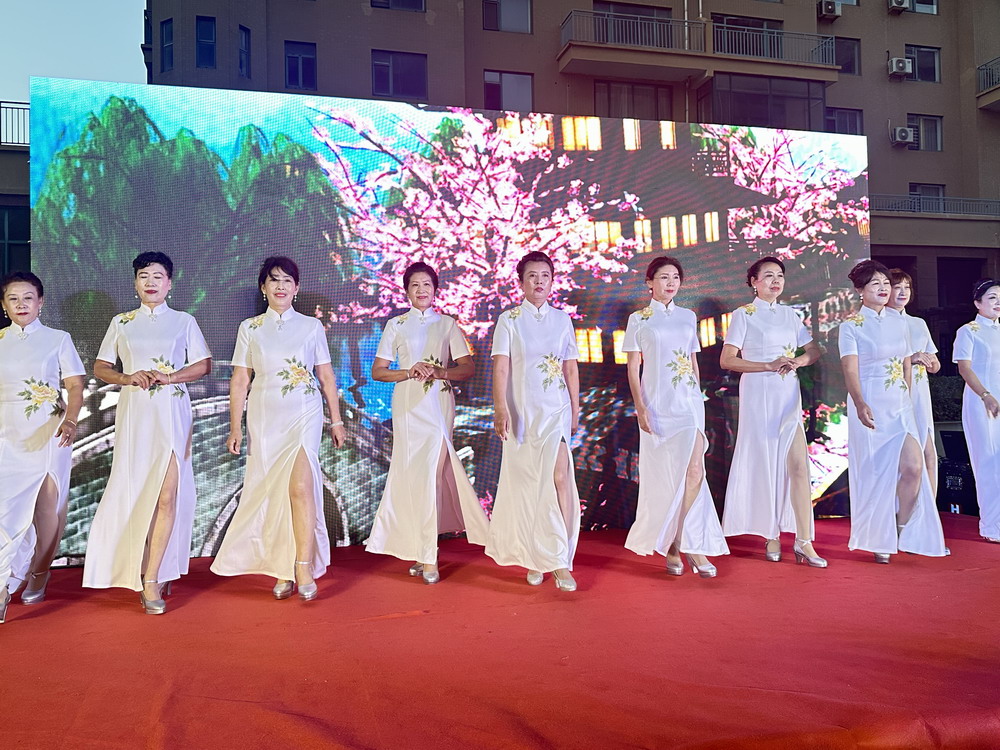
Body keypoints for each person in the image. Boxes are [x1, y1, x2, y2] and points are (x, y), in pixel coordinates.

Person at [83, 252, 212, 614]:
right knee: (139, 492)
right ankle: (143, 565)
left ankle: (152, 577)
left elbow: (204, 364)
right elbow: (101, 366)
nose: (151, 282)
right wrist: (127, 377)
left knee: (168, 495)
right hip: (136, 413)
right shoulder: (122, 322)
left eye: (158, 276)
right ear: (135, 283)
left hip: (172, 411)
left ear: (169, 283)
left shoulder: (184, 321)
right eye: (144, 276)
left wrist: (170, 377)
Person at [212, 257, 347, 600]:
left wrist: (336, 419)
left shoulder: (311, 327)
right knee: (273, 492)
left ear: (296, 288)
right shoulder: (250, 328)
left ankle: (302, 565)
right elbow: (240, 380)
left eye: (287, 280)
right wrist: (235, 427)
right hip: (265, 416)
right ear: (264, 287)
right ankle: (280, 568)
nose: (281, 286)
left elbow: (326, 376)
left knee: (301, 488)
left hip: (304, 412)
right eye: (274, 280)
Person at [366, 262, 488, 584]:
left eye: (427, 285)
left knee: (432, 475)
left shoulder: (447, 324)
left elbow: (467, 367)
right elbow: (378, 371)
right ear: (406, 290)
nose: (421, 290)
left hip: (438, 404)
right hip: (408, 407)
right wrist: (409, 372)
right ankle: (423, 552)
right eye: (415, 285)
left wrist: (439, 372)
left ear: (435, 290)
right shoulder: (396, 325)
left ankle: (429, 554)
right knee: (414, 477)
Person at [623, 256, 728, 578]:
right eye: (664, 277)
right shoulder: (638, 319)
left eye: (675, 278)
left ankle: (690, 546)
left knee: (695, 471)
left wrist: (698, 397)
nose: (670, 283)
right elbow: (633, 368)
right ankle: (671, 543)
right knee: (666, 477)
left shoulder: (687, 316)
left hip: (688, 403)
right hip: (657, 404)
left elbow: (692, 361)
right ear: (649, 283)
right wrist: (640, 408)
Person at [838, 260, 946, 563]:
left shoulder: (900, 323)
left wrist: (908, 399)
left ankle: (898, 530)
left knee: (914, 467)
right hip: (870, 404)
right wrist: (860, 402)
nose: (884, 288)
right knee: (876, 472)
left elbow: (905, 365)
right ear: (860, 290)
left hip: (900, 405)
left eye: (886, 282)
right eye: (875, 283)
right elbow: (850, 370)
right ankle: (878, 537)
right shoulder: (851, 326)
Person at [720, 257, 825, 567]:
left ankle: (804, 541)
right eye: (768, 276)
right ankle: (771, 534)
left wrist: (798, 361)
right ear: (754, 282)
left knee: (799, 467)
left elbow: (813, 350)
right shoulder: (744, 314)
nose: (775, 281)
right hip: (758, 394)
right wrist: (767, 365)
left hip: (787, 394)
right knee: (766, 464)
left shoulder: (790, 315)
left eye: (779, 275)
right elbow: (728, 360)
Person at [486, 251, 581, 591]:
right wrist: (500, 408)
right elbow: (501, 367)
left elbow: (570, 367)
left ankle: (560, 559)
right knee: (528, 484)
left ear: (552, 281)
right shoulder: (509, 320)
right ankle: (533, 555)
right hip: (522, 413)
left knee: (559, 476)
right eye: (532, 276)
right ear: (521, 282)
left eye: (545, 276)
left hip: (556, 410)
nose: (539, 282)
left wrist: (575, 408)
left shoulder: (562, 320)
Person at [0, 272, 85, 623]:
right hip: (6, 433)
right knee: (6, 510)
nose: (21, 304)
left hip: (49, 430)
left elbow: (75, 385)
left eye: (28, 298)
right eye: (13, 298)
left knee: (47, 508)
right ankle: (3, 584)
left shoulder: (58, 339)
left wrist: (71, 420)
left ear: (41, 302)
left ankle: (39, 572)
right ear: (3, 305)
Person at [953, 279, 1000, 543]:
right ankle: (992, 526)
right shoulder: (968, 331)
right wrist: (985, 395)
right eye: (992, 297)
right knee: (988, 462)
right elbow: (965, 368)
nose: (998, 302)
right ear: (977, 303)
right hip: (981, 402)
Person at [886, 269, 941, 496]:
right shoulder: (880, 323)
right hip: (894, 392)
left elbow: (936, 365)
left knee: (929, 452)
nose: (903, 292)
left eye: (906, 287)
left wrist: (929, 361)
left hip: (920, 391)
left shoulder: (918, 323)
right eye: (897, 287)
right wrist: (911, 358)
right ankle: (901, 508)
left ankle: (930, 509)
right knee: (903, 455)